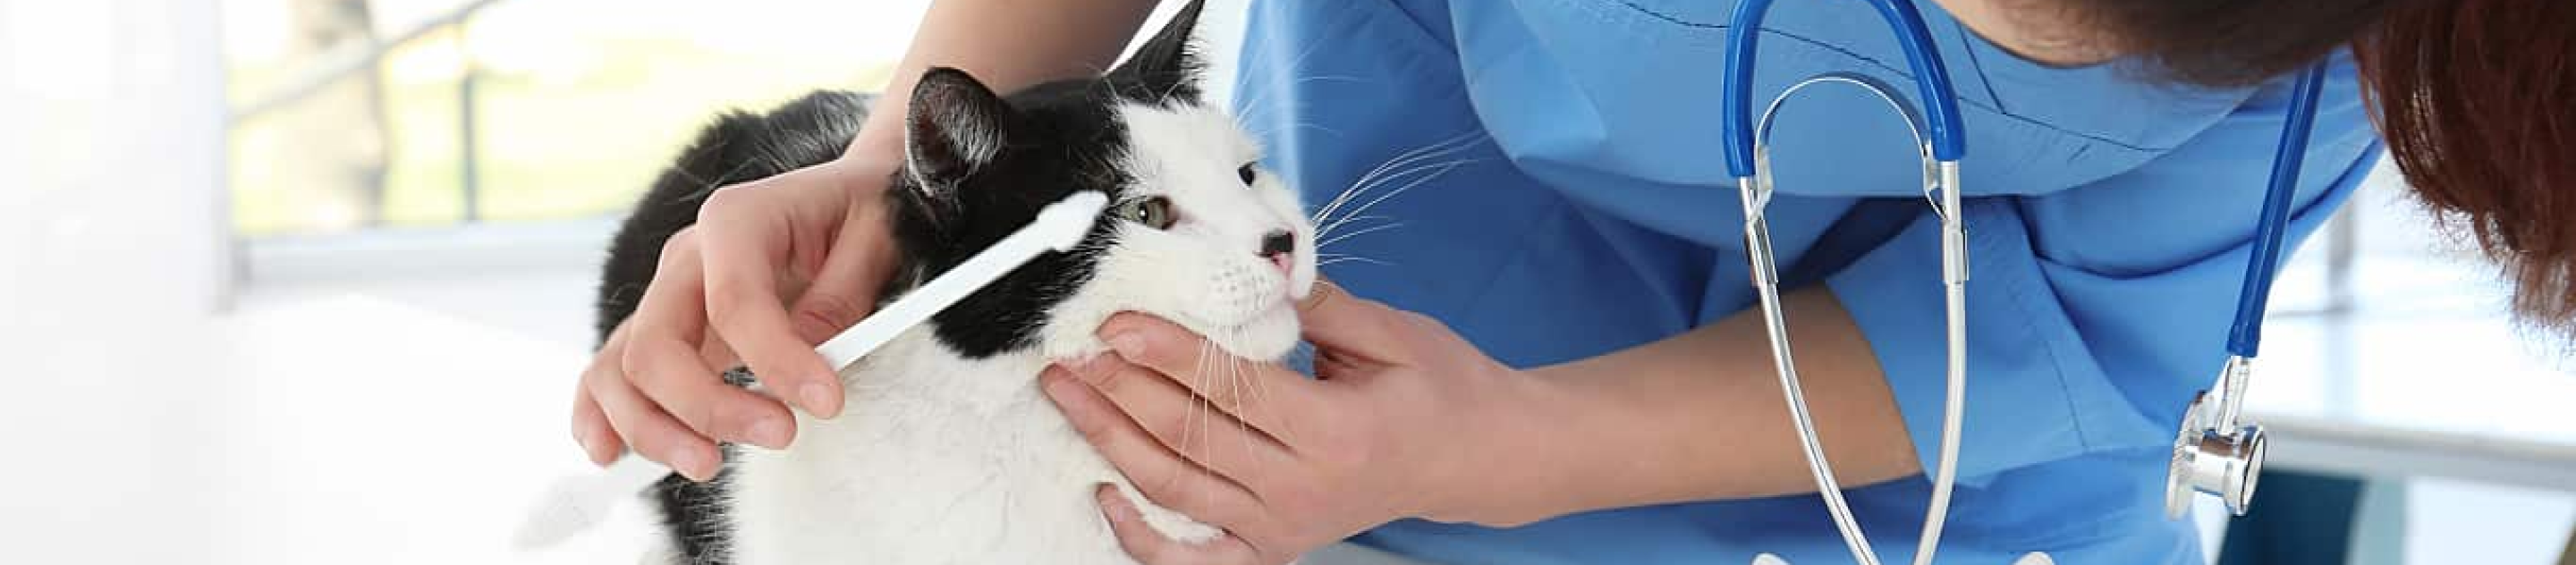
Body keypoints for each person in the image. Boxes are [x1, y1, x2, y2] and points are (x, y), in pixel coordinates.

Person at [564, 0, 2575, 563]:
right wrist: (896, 164)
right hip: (1406, 273)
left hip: (1939, 478)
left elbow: (2068, 325)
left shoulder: (2338, 61)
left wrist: (1516, 451)